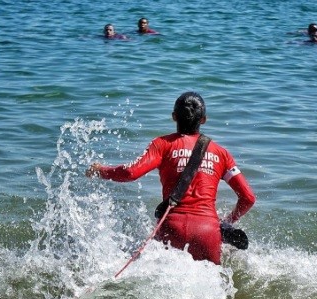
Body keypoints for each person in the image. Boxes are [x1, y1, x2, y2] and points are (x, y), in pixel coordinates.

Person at [86, 92, 256, 265]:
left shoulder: (162, 145)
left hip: (172, 229)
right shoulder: (221, 153)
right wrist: (227, 221)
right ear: (203, 120)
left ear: (174, 117)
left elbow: (130, 173)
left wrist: (101, 170)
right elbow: (248, 198)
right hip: (209, 233)